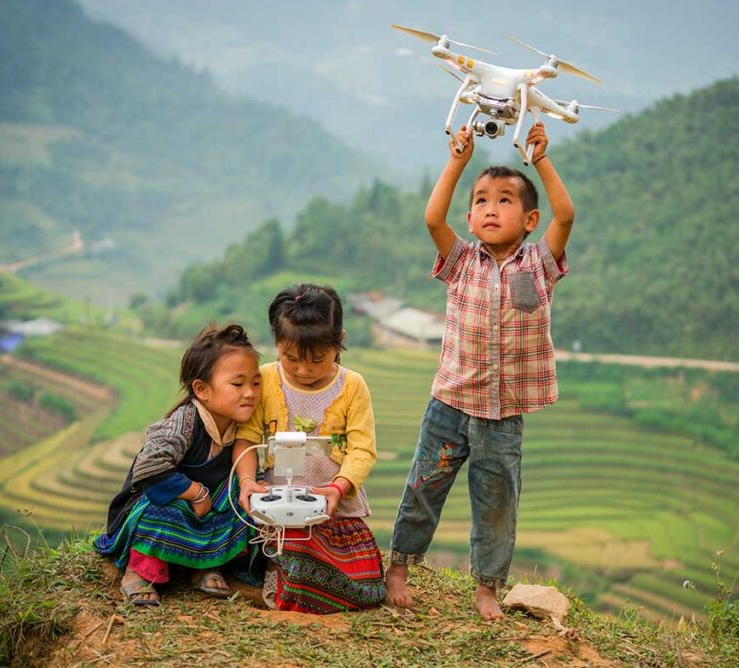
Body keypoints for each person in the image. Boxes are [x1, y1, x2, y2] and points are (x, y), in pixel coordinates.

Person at [386, 122, 573, 620]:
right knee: (423, 487)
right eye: (482, 200)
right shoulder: (460, 261)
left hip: (503, 415)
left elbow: (568, 214)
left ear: (531, 218)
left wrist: (541, 159)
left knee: (496, 504)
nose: (492, 208)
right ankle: (400, 566)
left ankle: (487, 587)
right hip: (449, 402)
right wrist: (457, 162)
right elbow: (431, 218)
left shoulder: (539, 266)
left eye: (506, 200)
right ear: (469, 217)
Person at [233, 283, 386, 614]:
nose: (303, 370)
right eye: (290, 358)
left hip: (333, 507)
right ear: (276, 343)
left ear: (339, 341)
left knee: (367, 585)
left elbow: (362, 449)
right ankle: (280, 575)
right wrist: (247, 483)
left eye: (317, 359)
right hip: (275, 508)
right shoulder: (266, 379)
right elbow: (246, 436)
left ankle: (293, 579)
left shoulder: (352, 386)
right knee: (291, 548)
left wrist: (337, 489)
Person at [94, 323, 263, 606]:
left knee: (240, 498)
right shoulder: (184, 422)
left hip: (205, 510)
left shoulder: (241, 428)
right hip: (162, 505)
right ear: (201, 389)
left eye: (255, 383)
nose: (250, 393)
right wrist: (194, 493)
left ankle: (204, 565)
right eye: (238, 384)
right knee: (161, 507)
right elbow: (149, 469)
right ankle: (139, 572)